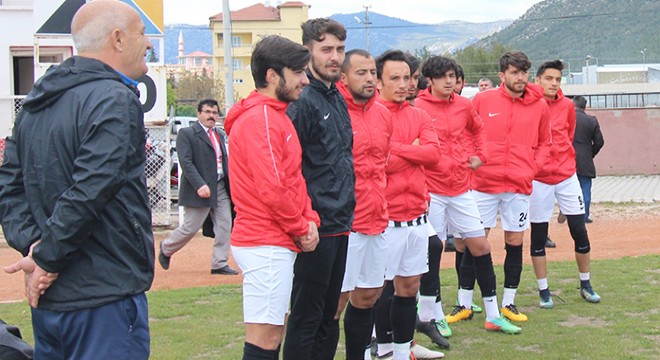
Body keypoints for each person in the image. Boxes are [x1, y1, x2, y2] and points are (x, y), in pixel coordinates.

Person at [0, 1, 154, 358]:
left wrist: (35, 248)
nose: (147, 44)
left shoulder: (37, 101)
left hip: (53, 298)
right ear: (117, 39)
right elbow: (92, 187)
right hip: (101, 295)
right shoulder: (114, 98)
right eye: (142, 33)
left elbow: (10, 185)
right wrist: (45, 256)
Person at [224, 35, 320, 360]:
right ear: (272, 75)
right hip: (264, 242)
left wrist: (309, 220)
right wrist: (300, 226)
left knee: (271, 333)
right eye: (298, 72)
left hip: (274, 240)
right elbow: (273, 188)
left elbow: (293, 178)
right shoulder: (260, 118)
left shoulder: (275, 115)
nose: (305, 80)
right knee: (264, 338)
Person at [416, 55, 521, 334]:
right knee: (433, 251)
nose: (450, 81)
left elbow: (479, 130)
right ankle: (434, 314)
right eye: (444, 77)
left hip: (462, 188)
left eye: (453, 76)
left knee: (481, 247)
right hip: (432, 190)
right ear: (430, 80)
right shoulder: (417, 107)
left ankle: (493, 315)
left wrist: (480, 156)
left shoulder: (463, 105)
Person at [283, 18, 356, 360]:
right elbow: (290, 169)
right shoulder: (303, 101)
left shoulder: (336, 97)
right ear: (308, 50)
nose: (335, 57)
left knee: (330, 315)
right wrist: (303, 221)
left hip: (341, 222)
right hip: (315, 226)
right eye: (326, 49)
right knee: (306, 317)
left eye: (340, 49)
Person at [470, 51, 552, 324]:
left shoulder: (539, 106)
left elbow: (544, 144)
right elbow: (466, 134)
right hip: (483, 184)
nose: (520, 78)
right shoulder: (482, 100)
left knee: (514, 243)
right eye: (514, 72)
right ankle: (472, 302)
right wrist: (474, 162)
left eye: (524, 72)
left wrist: (531, 168)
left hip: (518, 185)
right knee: (476, 242)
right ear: (502, 75)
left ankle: (509, 303)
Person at [373, 49, 441, 360]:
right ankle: (384, 349)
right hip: (384, 219)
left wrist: (397, 150)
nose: (404, 84)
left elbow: (433, 155)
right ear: (378, 80)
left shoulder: (420, 115)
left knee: (409, 287)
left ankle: (403, 351)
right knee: (380, 289)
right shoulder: (371, 115)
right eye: (395, 78)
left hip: (416, 216)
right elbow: (378, 163)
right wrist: (410, 149)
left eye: (408, 77)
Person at [333, 49, 393, 360]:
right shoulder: (333, 111)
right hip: (344, 223)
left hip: (377, 218)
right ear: (343, 76)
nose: (370, 78)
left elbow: (381, 164)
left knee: (369, 294)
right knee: (335, 300)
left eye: (372, 72)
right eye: (361, 73)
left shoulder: (383, 113)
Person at [529, 61, 601, 309]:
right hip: (539, 179)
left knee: (579, 231)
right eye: (549, 78)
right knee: (538, 236)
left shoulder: (568, 105)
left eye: (558, 79)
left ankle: (586, 284)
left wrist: (561, 160)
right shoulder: (528, 103)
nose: (554, 83)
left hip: (567, 175)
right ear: (537, 79)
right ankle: (544, 291)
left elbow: (568, 134)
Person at [158, 99, 238, 275]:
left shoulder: (219, 134)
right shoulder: (187, 134)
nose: (212, 116)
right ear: (199, 114)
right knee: (190, 227)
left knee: (225, 225)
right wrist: (200, 184)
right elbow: (186, 163)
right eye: (208, 112)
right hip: (199, 189)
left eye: (215, 113)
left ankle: (219, 263)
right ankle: (167, 248)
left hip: (220, 186)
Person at [573, 95, 604, 223]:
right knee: (585, 187)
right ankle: (584, 216)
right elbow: (599, 142)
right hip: (586, 159)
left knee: (567, 188)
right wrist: (590, 153)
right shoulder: (592, 121)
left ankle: (569, 212)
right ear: (584, 107)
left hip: (567, 158)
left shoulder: (566, 119)